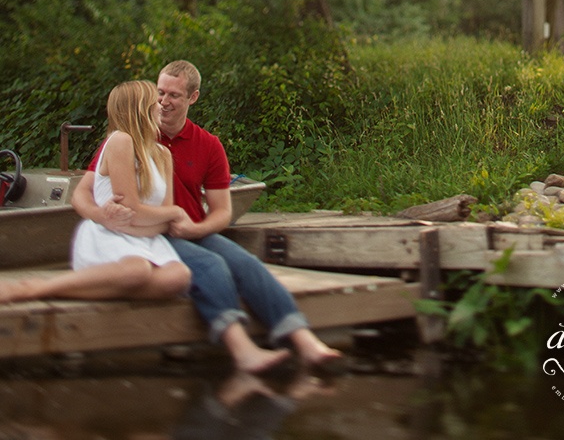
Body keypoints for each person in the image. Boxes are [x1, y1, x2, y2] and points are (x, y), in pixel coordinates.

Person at [72, 59, 342, 376]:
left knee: (245, 263)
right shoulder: (131, 135)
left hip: (189, 229)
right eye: (159, 93)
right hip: (152, 234)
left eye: (173, 95)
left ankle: (305, 341)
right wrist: (103, 217)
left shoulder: (209, 145)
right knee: (210, 265)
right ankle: (241, 348)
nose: (163, 102)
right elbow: (82, 193)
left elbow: (223, 212)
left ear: (193, 98)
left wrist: (195, 228)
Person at [0, 81, 191, 304]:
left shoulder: (163, 155)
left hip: (145, 237)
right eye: (155, 101)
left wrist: (161, 218)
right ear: (140, 108)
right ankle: (36, 288)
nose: (161, 106)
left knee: (178, 278)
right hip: (108, 235)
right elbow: (135, 210)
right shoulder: (121, 141)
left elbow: (162, 216)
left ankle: (96, 286)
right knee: (137, 270)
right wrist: (174, 213)